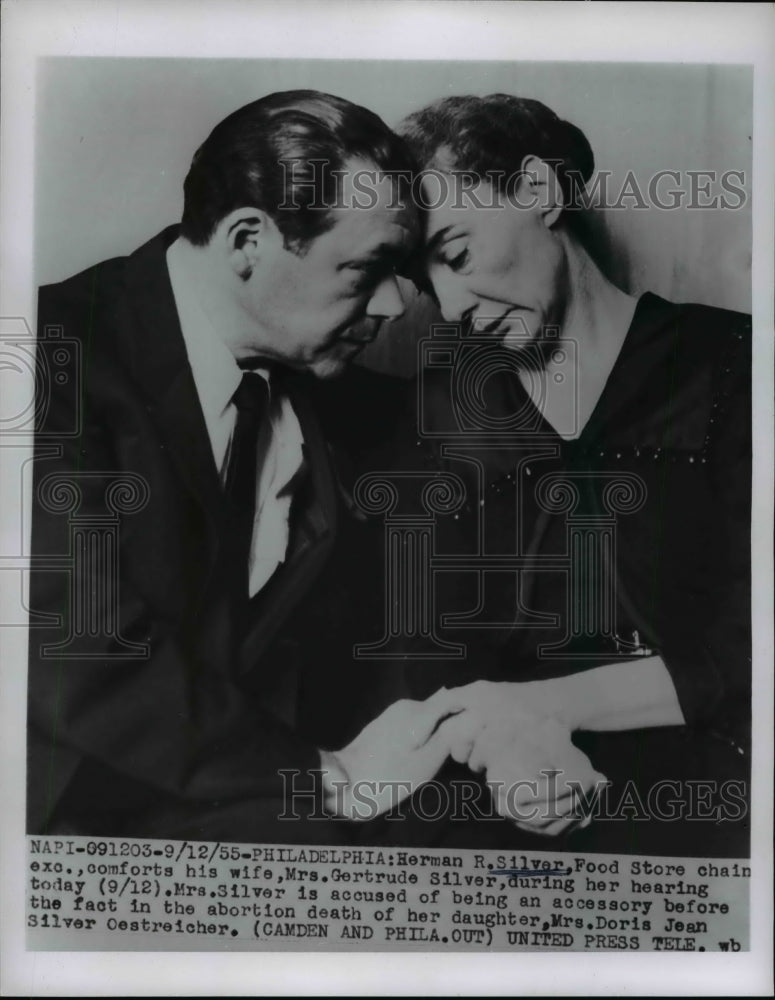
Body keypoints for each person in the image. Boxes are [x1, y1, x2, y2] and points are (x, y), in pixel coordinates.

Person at [26, 90, 468, 845]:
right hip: (60, 820)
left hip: (242, 800)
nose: (398, 304)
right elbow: (76, 657)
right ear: (245, 243)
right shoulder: (44, 360)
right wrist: (327, 780)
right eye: (367, 267)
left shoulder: (325, 388)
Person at [386, 94, 751, 854]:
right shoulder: (439, 413)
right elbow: (422, 654)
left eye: (455, 253)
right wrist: (514, 749)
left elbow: (754, 643)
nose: (449, 306)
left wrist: (546, 708)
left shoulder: (734, 366)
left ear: (539, 192)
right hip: (499, 806)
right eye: (426, 284)